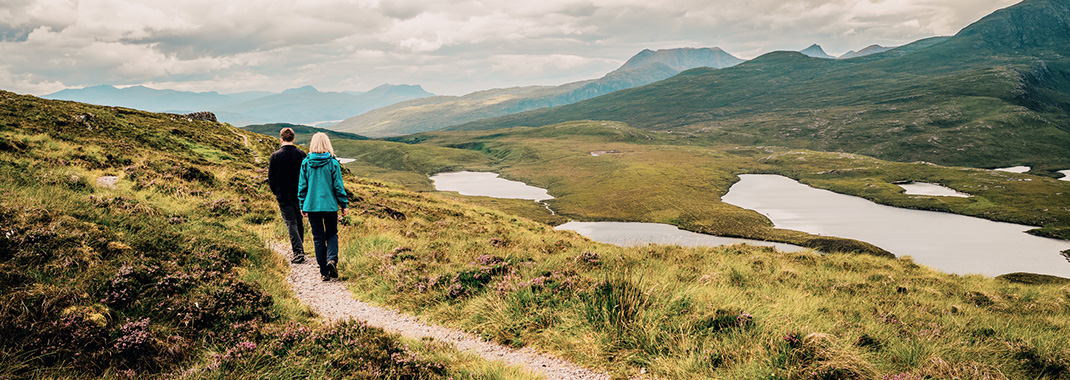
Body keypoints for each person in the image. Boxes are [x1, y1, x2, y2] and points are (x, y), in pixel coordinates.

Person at [298, 132, 349, 281]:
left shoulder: (306, 163)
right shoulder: (333, 163)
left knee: (318, 238)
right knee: (332, 234)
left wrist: (302, 203)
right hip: (330, 206)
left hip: (312, 206)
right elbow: (338, 186)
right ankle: (331, 259)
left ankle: (324, 272)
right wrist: (343, 203)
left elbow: (302, 186)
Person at [267, 127, 307, 264]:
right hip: (299, 194)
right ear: (293, 139)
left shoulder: (275, 156)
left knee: (291, 222)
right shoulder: (301, 154)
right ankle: (300, 248)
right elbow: (306, 175)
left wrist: (276, 192)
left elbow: (271, 178)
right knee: (298, 221)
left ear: (281, 139)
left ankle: (298, 252)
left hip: (283, 195)